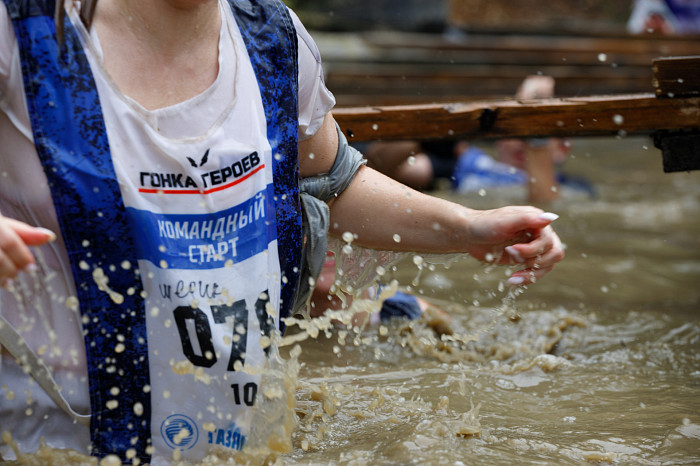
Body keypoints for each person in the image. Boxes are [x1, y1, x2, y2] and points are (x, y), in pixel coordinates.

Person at [0, 0, 563, 463]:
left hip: (235, 442)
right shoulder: (21, 31)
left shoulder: (270, 36)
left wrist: (467, 227)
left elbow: (332, 183)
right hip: (40, 441)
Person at [363, 75, 594, 204]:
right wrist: (430, 131)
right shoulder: (462, 163)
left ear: (563, 148)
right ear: (498, 137)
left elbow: (546, 205)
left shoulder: (574, 187)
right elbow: (381, 168)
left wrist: (533, 129)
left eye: (541, 132)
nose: (522, 140)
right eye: (515, 128)